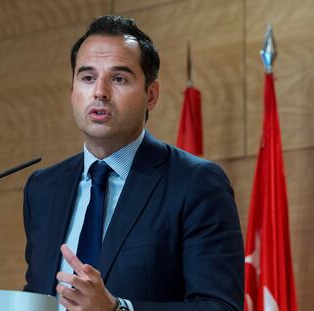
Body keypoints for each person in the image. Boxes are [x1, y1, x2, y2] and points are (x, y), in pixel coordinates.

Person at [23, 15, 244, 311]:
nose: (100, 92)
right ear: (72, 90)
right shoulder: (43, 188)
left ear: (151, 95)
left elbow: (220, 307)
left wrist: (118, 309)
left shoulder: (195, 183)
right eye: (87, 78)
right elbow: (39, 293)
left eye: (119, 78)